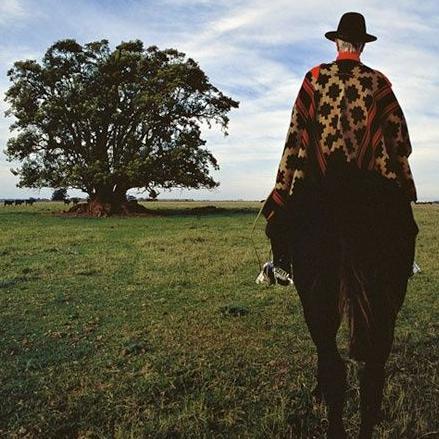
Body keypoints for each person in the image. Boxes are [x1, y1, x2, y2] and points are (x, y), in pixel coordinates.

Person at [261, 11, 419, 439]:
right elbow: (400, 138)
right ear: (362, 45)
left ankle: (281, 266)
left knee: (283, 227)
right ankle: (407, 265)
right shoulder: (379, 83)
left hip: (322, 187)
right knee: (404, 232)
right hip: (370, 190)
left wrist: (280, 194)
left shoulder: (314, 79)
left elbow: (296, 137)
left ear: (337, 43)